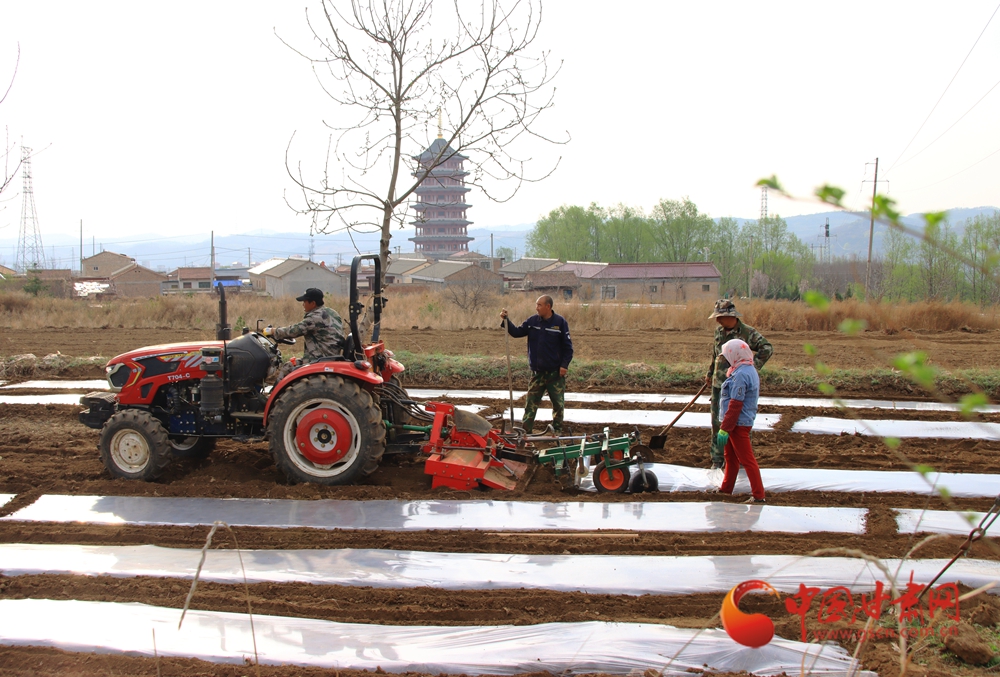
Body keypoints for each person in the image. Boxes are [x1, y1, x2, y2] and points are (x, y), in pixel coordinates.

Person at [705, 299, 772, 469]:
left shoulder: (747, 333)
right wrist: (710, 373)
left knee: (738, 423)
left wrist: (751, 367)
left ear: (731, 316)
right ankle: (717, 459)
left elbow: (766, 348)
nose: (717, 320)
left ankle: (741, 460)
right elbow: (715, 355)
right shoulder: (719, 332)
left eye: (720, 317)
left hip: (737, 385)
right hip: (719, 385)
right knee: (717, 423)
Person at [500, 295, 574, 434]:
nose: (537, 308)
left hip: (554, 373)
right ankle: (526, 431)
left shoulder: (560, 323)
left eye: (539, 305)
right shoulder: (532, 321)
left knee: (558, 404)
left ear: (548, 306)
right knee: (531, 403)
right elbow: (517, 332)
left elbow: (568, 348)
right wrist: (506, 321)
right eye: (536, 305)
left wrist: (564, 365)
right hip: (537, 373)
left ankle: (557, 430)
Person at [715, 339, 766, 504]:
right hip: (735, 422)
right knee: (730, 457)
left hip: (738, 423)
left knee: (746, 459)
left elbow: (736, 403)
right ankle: (726, 489)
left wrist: (725, 428)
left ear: (735, 355)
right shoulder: (744, 369)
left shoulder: (741, 374)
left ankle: (759, 495)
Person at [265, 288, 345, 382]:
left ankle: (278, 391)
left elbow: (293, 331)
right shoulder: (332, 312)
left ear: (313, 303)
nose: (303, 304)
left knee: (287, 368)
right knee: (290, 365)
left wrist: (273, 331)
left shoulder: (315, 317)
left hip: (319, 359)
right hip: (331, 355)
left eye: (305, 302)